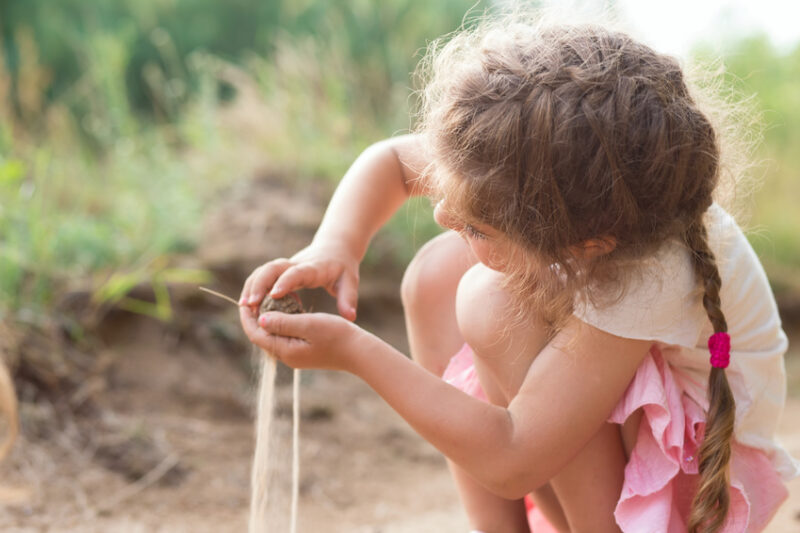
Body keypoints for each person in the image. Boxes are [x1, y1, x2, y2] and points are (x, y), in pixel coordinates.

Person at [239, 15, 799, 533]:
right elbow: (389, 162)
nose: (441, 213)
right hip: (619, 398)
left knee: (491, 299)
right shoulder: (535, 168)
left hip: (687, 473)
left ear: (588, 244)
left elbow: (512, 457)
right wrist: (335, 244)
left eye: (481, 227)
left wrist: (355, 352)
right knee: (438, 271)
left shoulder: (648, 271)